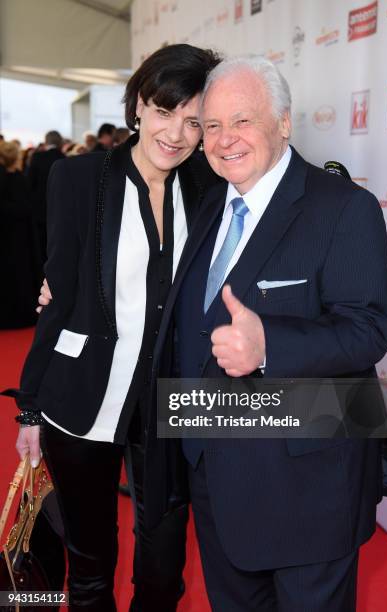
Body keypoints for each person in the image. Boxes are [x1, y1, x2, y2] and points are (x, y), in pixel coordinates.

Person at [150, 56, 387, 611]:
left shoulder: (343, 208)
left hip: (307, 490)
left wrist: (270, 346)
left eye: (242, 121)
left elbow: (369, 329)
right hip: (212, 475)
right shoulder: (207, 204)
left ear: (284, 123)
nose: (224, 141)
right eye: (212, 126)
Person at [10, 44, 220, 612]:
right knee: (90, 568)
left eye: (194, 121)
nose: (176, 132)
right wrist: (29, 406)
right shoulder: (78, 179)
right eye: (163, 110)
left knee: (163, 568)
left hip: (169, 402)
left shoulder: (209, 189)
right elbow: (57, 300)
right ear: (137, 107)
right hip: (82, 396)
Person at [0, 141, 41, 328]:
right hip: (19, 238)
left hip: (10, 236)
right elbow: (26, 208)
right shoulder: (17, 178)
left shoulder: (11, 179)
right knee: (20, 275)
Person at [28, 130, 65, 263]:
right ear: (60, 142)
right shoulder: (64, 157)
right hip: (60, 208)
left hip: (39, 208)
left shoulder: (38, 157)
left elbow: (30, 182)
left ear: (46, 141)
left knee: (41, 243)